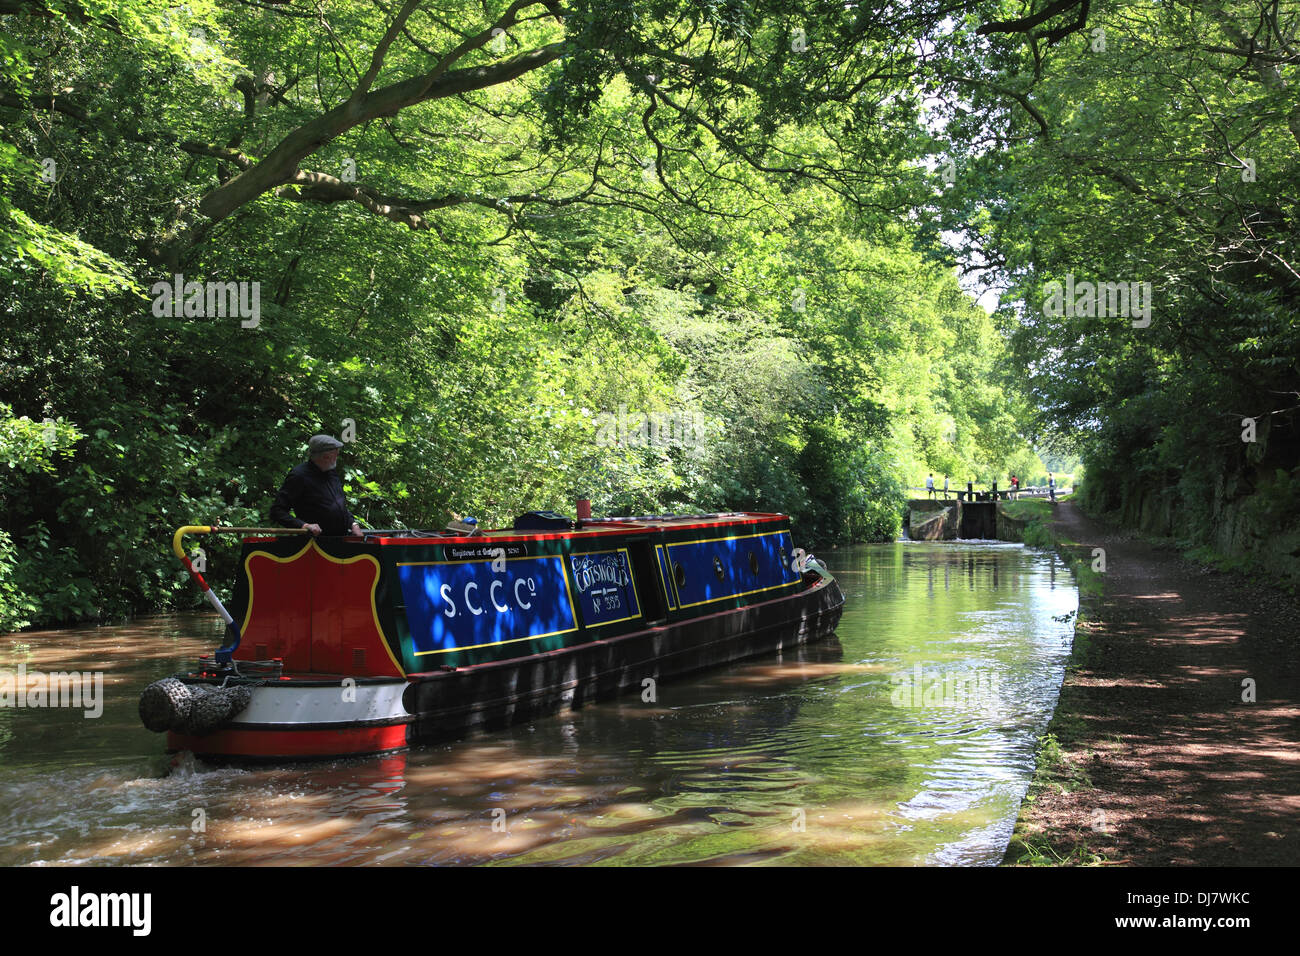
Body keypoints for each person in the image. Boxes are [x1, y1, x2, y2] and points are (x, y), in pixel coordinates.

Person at [270, 434, 363, 536]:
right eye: (336, 454)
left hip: (340, 541)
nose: (337, 456)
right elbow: (277, 511)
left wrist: (353, 524)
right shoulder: (299, 476)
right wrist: (304, 525)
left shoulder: (332, 473)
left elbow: (339, 506)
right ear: (325, 456)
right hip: (314, 545)